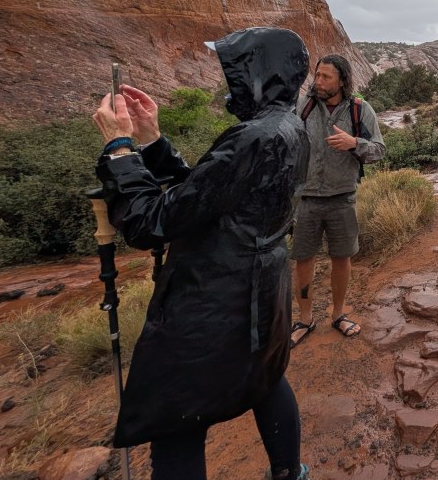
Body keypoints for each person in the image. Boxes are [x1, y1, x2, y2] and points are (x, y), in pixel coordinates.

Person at [91, 27, 311, 480]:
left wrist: (120, 151)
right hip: (263, 291)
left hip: (213, 302)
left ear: (257, 74)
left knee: (177, 420)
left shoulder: (252, 137)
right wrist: (152, 142)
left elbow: (152, 223)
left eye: (236, 70)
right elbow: (212, 192)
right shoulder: (290, 127)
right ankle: (290, 473)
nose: (229, 81)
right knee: (266, 380)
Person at [290, 54, 385, 345]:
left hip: (342, 198)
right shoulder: (303, 106)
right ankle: (305, 319)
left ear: (342, 80)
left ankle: (339, 314)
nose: (317, 82)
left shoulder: (359, 109)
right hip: (305, 198)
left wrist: (354, 143)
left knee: (341, 258)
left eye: (325, 77)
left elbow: (380, 150)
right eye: (316, 75)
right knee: (303, 258)